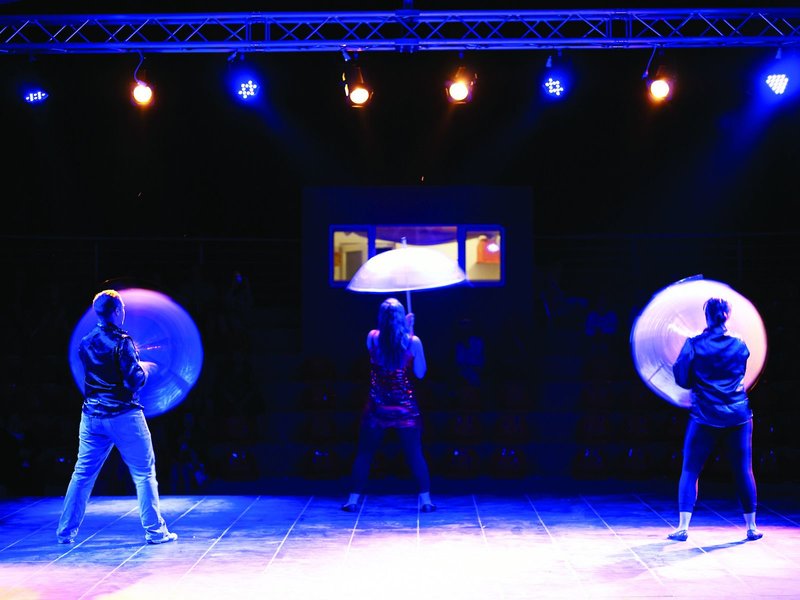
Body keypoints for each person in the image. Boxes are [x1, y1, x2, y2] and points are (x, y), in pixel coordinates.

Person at [57, 290, 177, 544]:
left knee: (82, 475)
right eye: (122, 308)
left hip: (91, 417)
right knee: (144, 474)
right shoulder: (123, 342)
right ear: (116, 311)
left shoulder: (85, 342)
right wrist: (146, 368)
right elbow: (133, 381)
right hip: (123, 416)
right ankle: (156, 532)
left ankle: (65, 533)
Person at [668, 297, 762, 542]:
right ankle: (752, 527)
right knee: (743, 470)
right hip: (738, 416)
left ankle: (683, 527)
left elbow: (682, 379)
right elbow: (741, 375)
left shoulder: (694, 344)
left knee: (690, 470)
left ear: (707, 316)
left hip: (705, 415)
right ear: (727, 316)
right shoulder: (740, 344)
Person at [342, 297, 435, 513]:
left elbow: (385, 356)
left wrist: (407, 332)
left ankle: (352, 500)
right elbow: (420, 373)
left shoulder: (372, 338)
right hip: (405, 408)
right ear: (402, 317)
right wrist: (411, 332)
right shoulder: (414, 342)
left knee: (365, 453)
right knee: (414, 453)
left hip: (378, 407)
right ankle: (426, 501)